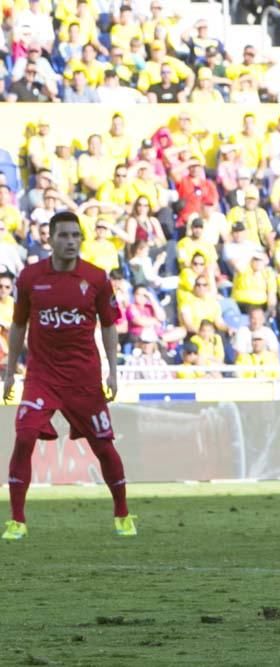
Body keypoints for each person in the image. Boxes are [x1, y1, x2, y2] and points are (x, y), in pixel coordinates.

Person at [2, 212, 136, 541]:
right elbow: (18, 325)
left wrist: (113, 371)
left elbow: (109, 325)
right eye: (64, 235)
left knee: (104, 447)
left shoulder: (96, 278)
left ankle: (122, 513)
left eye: (76, 235)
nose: (71, 241)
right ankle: (17, 520)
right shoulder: (30, 278)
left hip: (84, 380)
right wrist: (9, 373)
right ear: (50, 238)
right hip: (42, 377)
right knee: (24, 436)